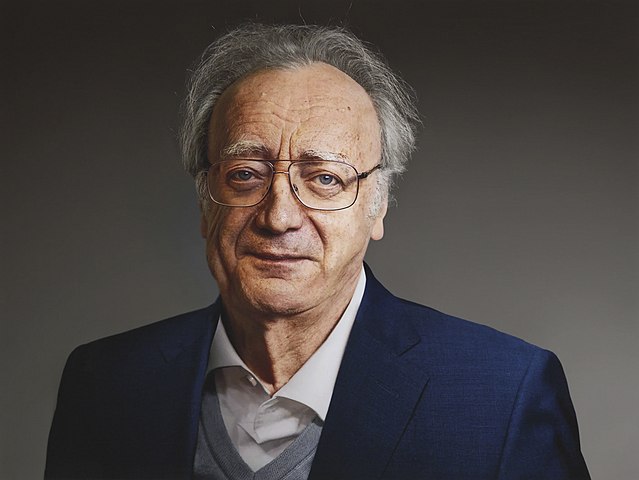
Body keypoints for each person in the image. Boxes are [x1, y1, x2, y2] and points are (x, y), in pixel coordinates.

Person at [45, 23, 590, 479]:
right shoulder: (106, 383)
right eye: (245, 174)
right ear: (205, 201)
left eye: (326, 178)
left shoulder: (502, 395)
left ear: (378, 206)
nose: (279, 216)